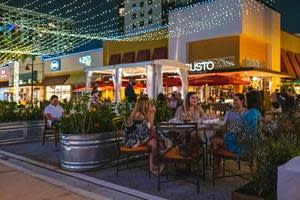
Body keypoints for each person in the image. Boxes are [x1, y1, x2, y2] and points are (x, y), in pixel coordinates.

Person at [211, 90, 262, 164]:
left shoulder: (251, 113)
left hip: (244, 145)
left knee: (214, 142)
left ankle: (237, 156)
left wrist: (230, 134)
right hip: (249, 144)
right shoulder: (255, 112)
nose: (245, 102)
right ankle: (220, 166)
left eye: (246, 99)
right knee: (216, 140)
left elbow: (249, 133)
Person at [122, 95, 160, 174]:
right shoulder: (139, 115)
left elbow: (146, 129)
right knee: (155, 136)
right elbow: (148, 128)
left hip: (137, 138)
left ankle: (152, 166)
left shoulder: (139, 114)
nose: (150, 105)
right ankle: (163, 153)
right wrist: (152, 113)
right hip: (131, 141)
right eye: (149, 103)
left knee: (154, 142)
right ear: (145, 105)